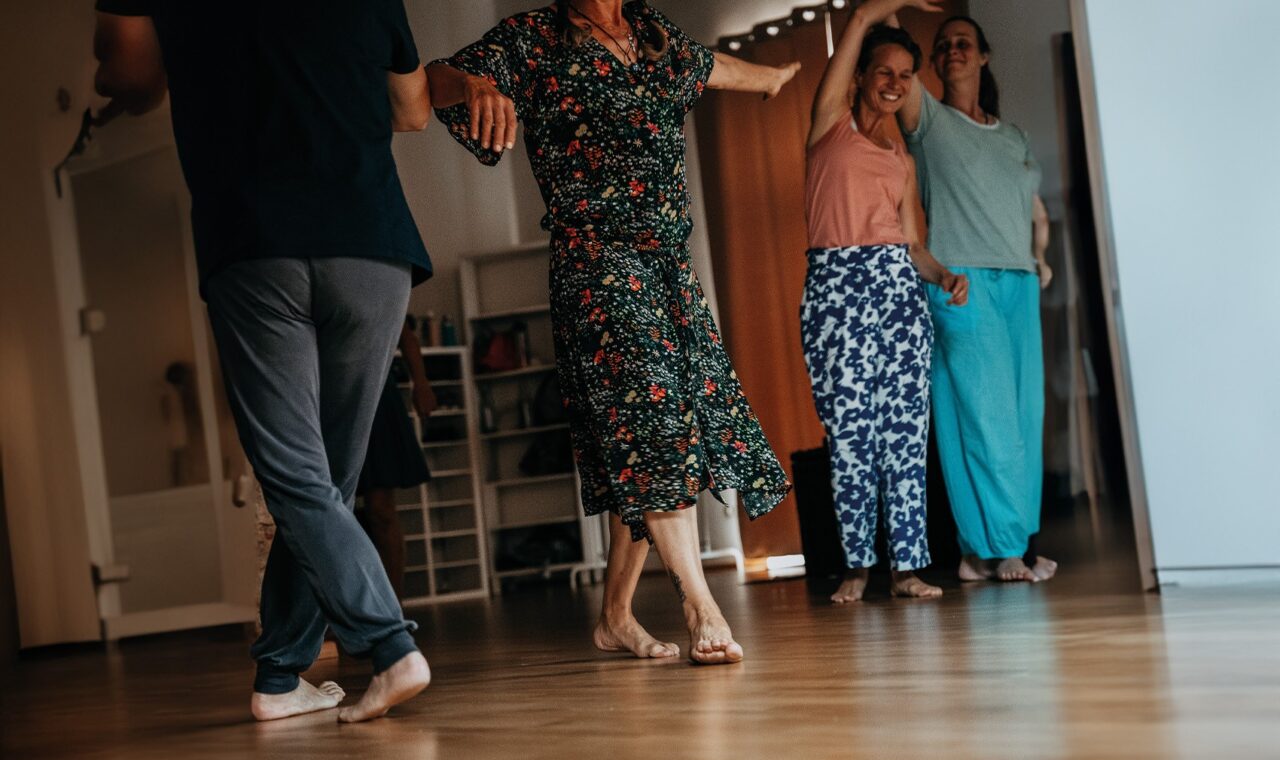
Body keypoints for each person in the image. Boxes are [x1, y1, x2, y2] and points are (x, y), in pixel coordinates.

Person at [93, 0, 434, 722]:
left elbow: (131, 68)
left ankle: (390, 644)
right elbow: (411, 111)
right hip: (371, 243)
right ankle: (279, 677)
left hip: (257, 241)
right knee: (325, 486)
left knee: (297, 477)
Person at [427, 0, 796, 664]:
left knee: (653, 437)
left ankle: (614, 616)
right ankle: (700, 603)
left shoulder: (651, 36)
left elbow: (712, 69)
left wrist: (771, 79)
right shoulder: (532, 39)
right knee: (654, 428)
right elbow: (435, 78)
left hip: (667, 268)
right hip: (597, 266)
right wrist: (476, 85)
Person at [802, 0, 966, 604]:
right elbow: (844, 54)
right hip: (836, 289)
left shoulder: (902, 159)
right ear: (863, 78)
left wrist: (943, 275)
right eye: (884, 72)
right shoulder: (829, 127)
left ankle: (907, 569)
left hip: (898, 290)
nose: (895, 84)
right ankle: (856, 566)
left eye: (905, 75)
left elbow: (913, 245)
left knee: (903, 433)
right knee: (849, 433)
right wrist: (869, 14)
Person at [895, 15, 1057, 583]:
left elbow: (1034, 212)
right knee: (985, 417)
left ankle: (979, 550)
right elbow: (892, 47)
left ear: (984, 56)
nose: (954, 50)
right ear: (933, 64)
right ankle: (1005, 548)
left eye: (964, 42)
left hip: (1017, 280)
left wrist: (1041, 257)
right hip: (960, 278)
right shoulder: (930, 121)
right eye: (943, 46)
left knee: (1021, 416)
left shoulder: (1013, 137)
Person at [357, 318, 437, 597]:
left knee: (381, 510)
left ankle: (394, 612)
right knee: (332, 513)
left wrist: (422, 384)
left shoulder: (371, 276)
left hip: (375, 394)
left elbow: (405, 335)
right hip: (326, 396)